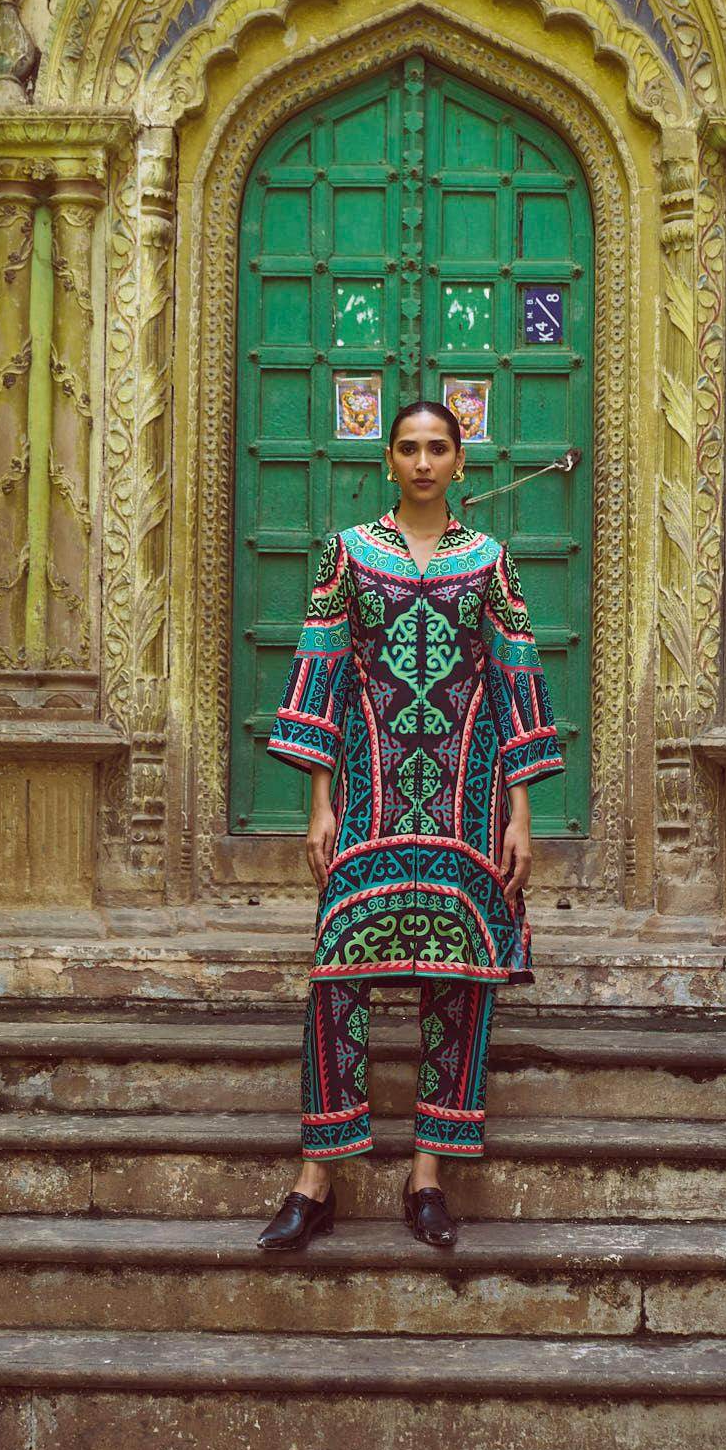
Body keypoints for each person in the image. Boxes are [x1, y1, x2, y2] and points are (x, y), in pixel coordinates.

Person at [256, 399, 564, 1251]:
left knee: (461, 980)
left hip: (468, 800)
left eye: (437, 448)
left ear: (461, 462)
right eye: (408, 448)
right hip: (371, 795)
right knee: (337, 970)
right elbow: (320, 669)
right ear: (387, 460)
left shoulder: (489, 561)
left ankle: (428, 1176)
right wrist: (319, 801)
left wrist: (521, 815)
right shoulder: (348, 554)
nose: (423, 461)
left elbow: (514, 679)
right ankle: (316, 1178)